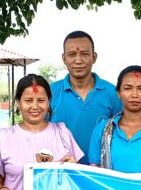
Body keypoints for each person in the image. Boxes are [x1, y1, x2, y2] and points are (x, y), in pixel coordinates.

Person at [50, 31, 120, 159]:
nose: (78, 60)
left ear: (94, 57)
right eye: (72, 54)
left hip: (101, 169)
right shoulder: (50, 93)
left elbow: (122, 134)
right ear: (64, 58)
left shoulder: (113, 93)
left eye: (84, 54)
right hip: (61, 168)